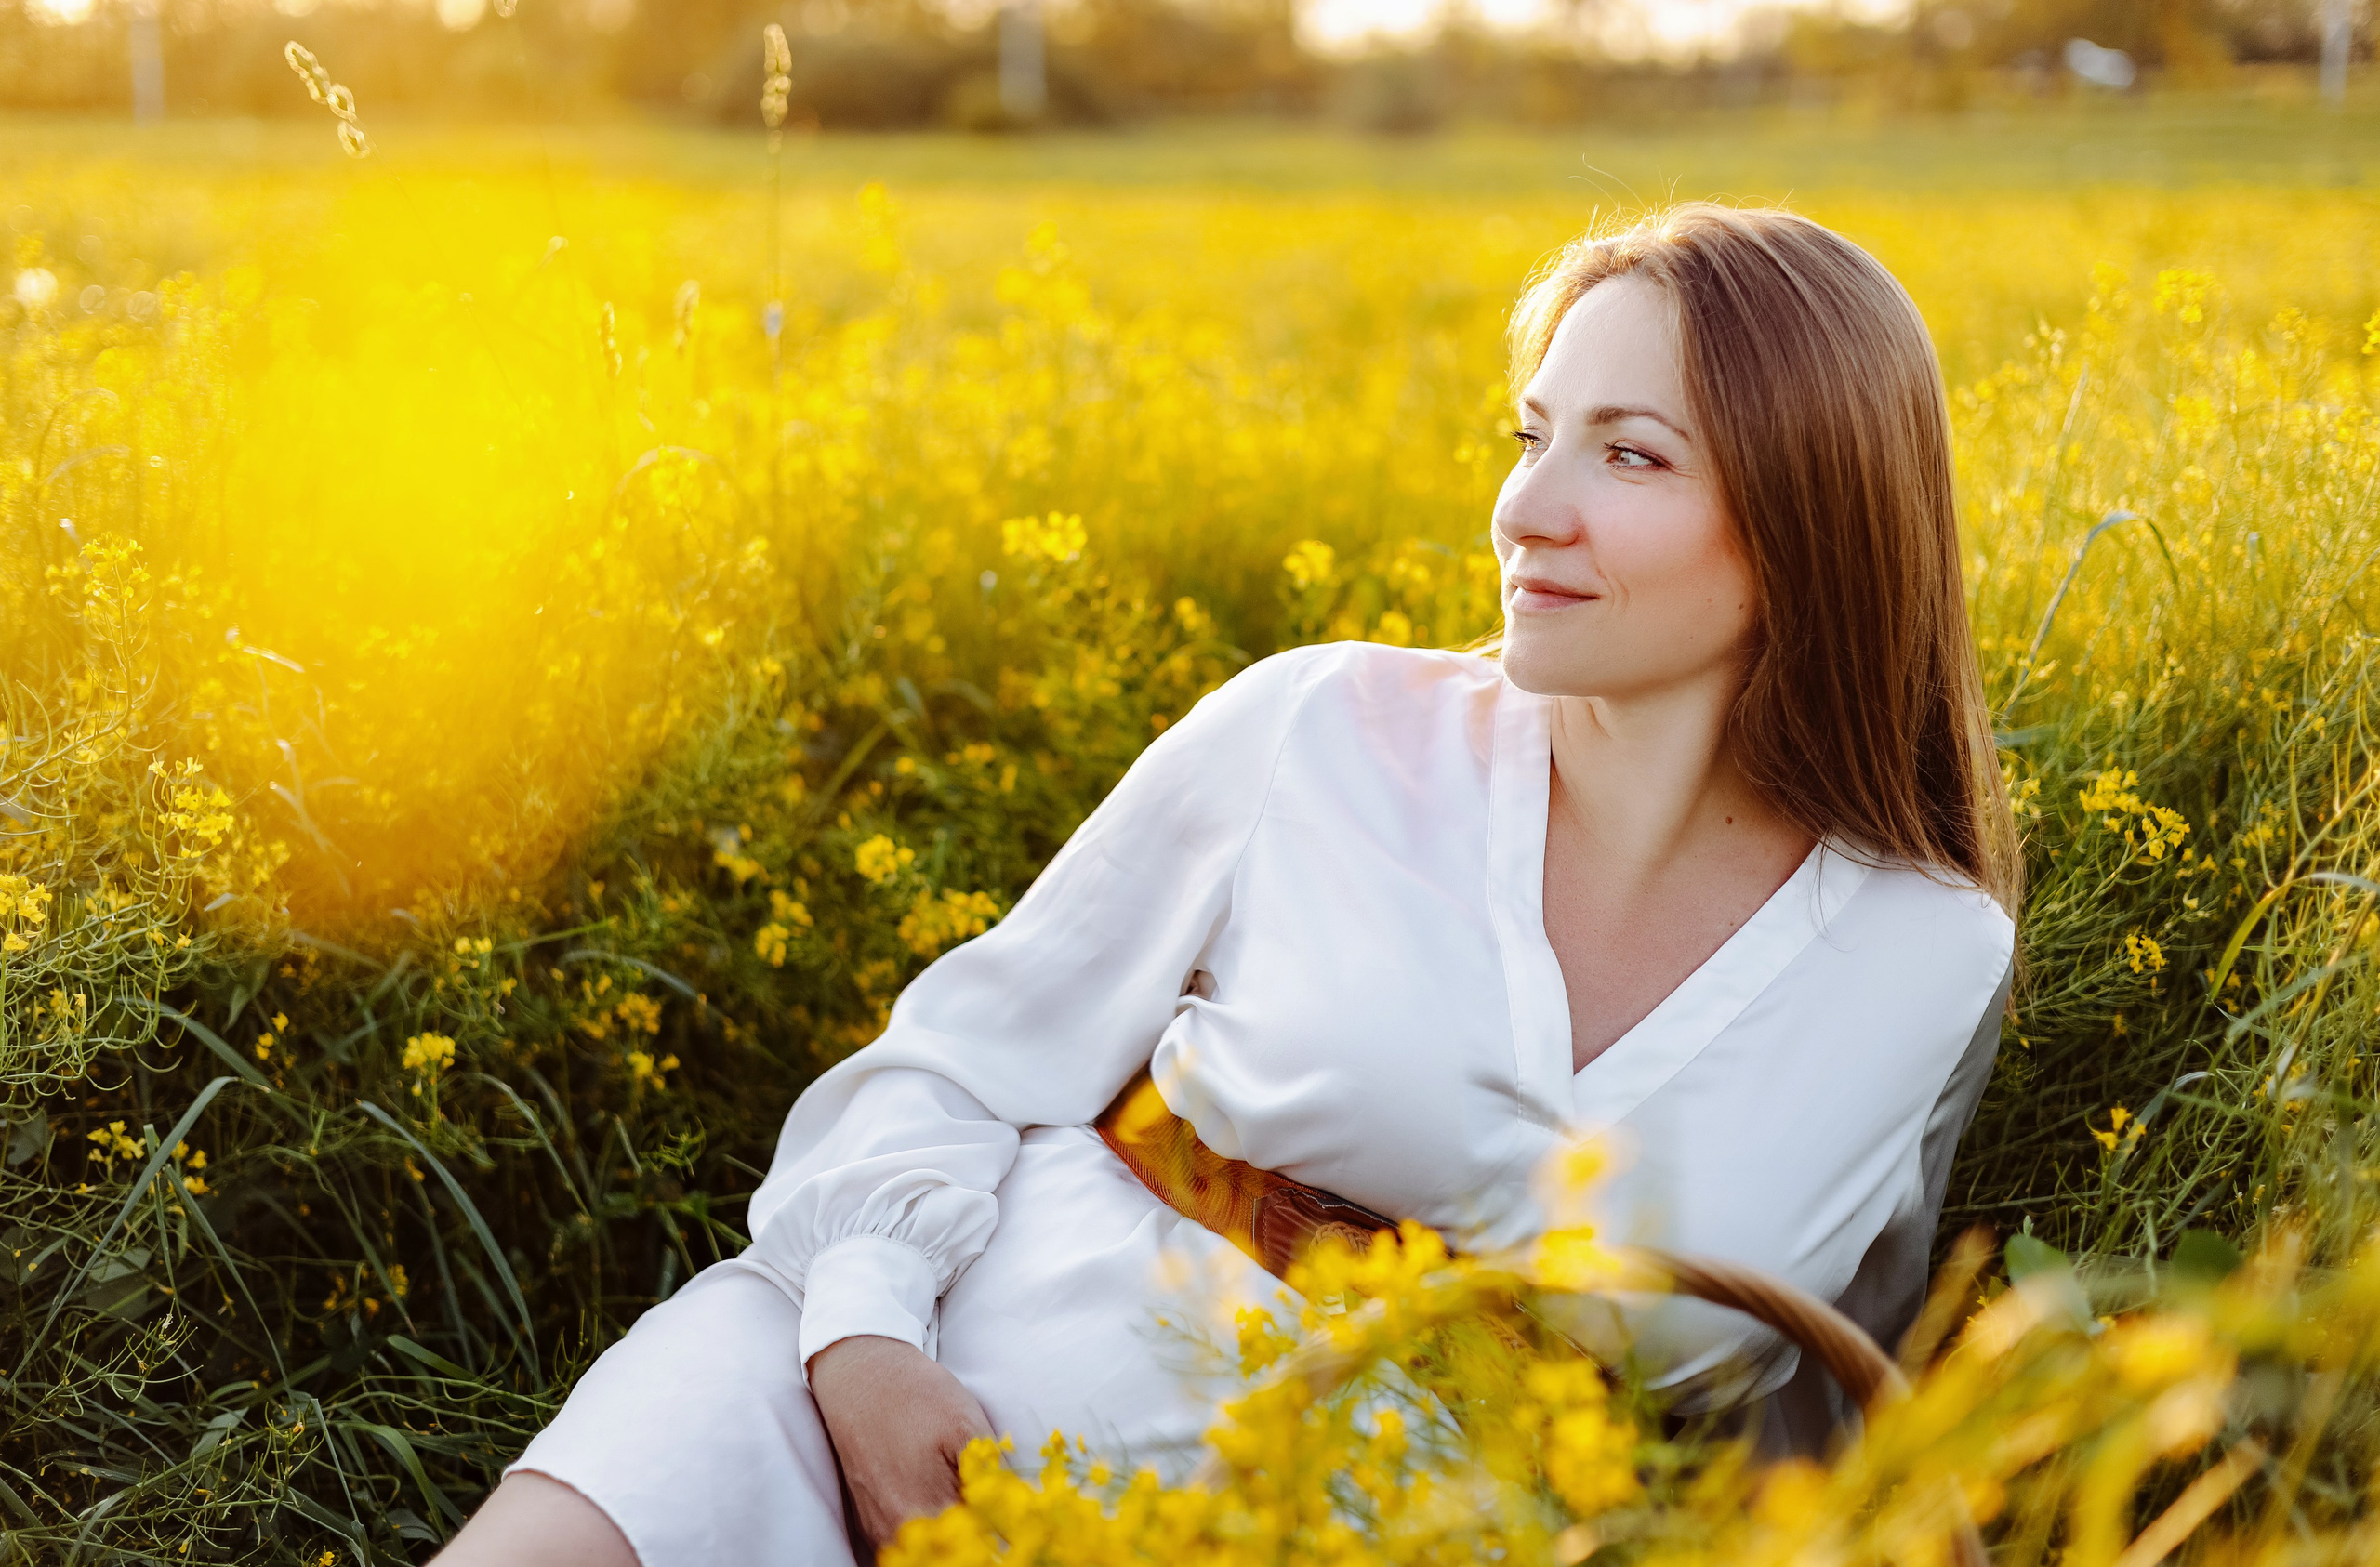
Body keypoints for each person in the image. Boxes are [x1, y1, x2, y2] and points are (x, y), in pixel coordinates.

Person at [437, 201, 2020, 1567]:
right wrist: (861, 1340)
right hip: (930, 1378)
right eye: (1532, 435)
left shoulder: (1926, 953)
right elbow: (961, 1060)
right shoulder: (1324, 725)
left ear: (1812, 515)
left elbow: (1816, 1397)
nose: (1528, 509)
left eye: (1629, 454)